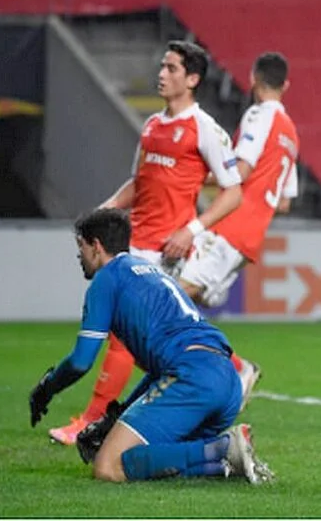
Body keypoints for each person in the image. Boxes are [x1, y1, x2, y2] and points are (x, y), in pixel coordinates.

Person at [48, 40, 257, 446]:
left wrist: (191, 230)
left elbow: (233, 192)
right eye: (162, 66)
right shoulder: (151, 126)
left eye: (172, 68)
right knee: (141, 332)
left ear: (192, 79)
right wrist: (106, 208)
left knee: (123, 332)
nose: (162, 74)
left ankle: (90, 421)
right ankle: (235, 367)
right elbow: (138, 183)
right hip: (133, 240)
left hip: (168, 248)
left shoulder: (205, 129)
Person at [29, 208, 273, 484]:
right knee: (149, 454)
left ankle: (221, 450)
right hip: (225, 382)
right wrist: (119, 416)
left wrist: (47, 387)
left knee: (108, 466)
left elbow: (81, 361)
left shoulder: (107, 279)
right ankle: (222, 460)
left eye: (81, 247)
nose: (79, 257)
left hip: (192, 380)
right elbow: (161, 371)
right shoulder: (152, 274)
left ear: (96, 246)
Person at [176, 51, 299, 320]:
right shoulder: (291, 134)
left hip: (229, 226)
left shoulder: (259, 115)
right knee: (189, 301)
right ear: (285, 85)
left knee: (168, 295)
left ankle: (234, 365)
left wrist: (191, 176)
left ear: (253, 79)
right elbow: (284, 202)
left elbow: (240, 171)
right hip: (250, 238)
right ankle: (233, 363)